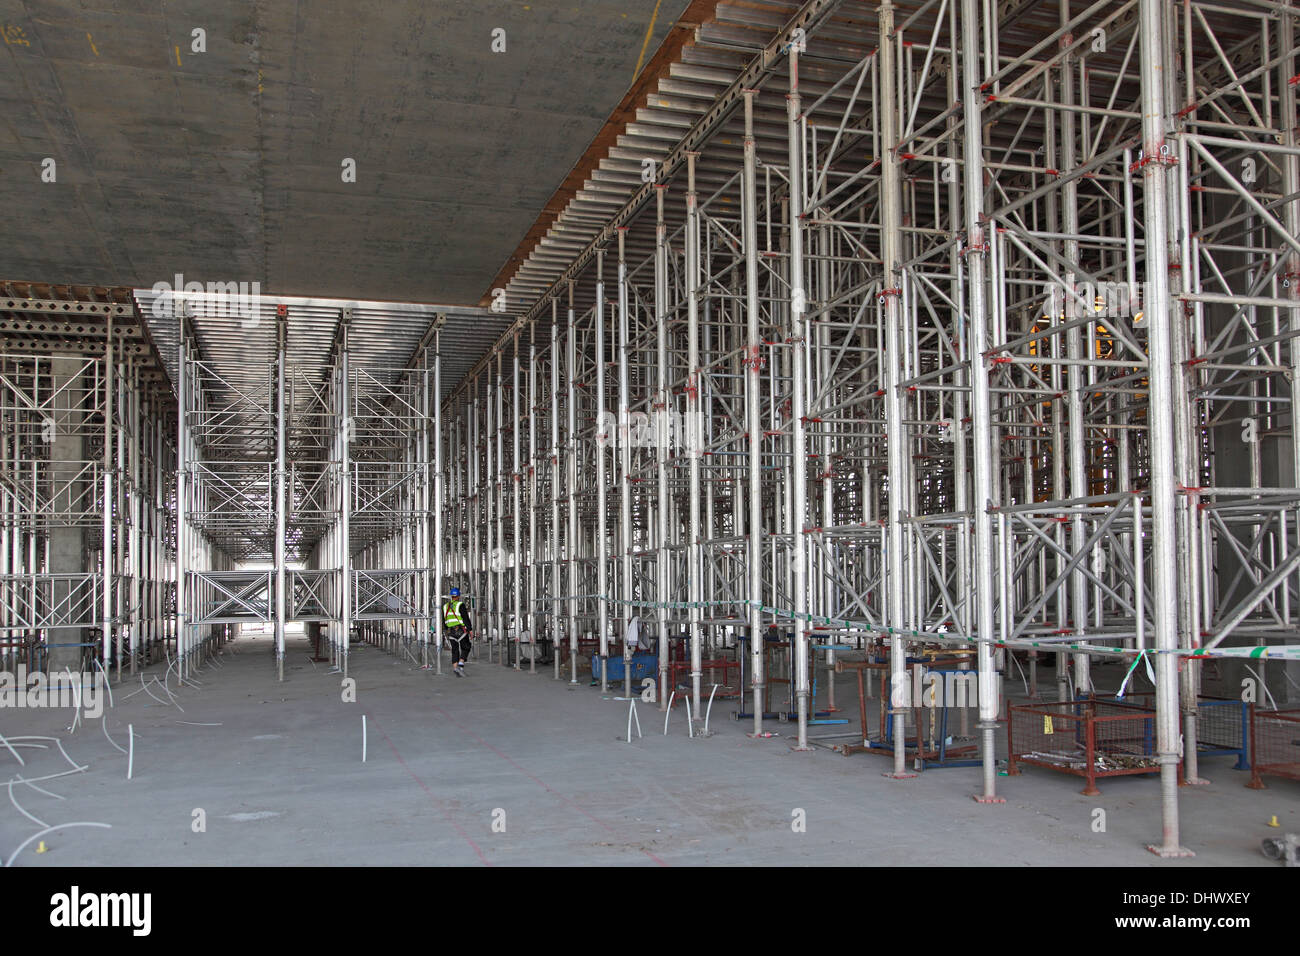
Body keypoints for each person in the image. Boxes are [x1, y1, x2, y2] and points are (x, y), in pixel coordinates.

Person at [441, 588, 474, 676]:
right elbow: (465, 618)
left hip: (450, 631)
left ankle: (456, 668)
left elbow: (443, 620)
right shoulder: (460, 605)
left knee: (455, 650)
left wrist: (445, 631)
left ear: (451, 596)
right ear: (458, 596)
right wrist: (470, 630)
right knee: (466, 647)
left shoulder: (445, 606)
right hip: (460, 630)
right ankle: (461, 663)